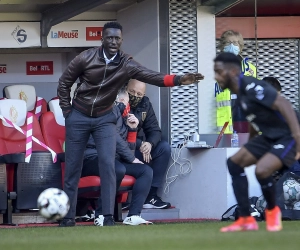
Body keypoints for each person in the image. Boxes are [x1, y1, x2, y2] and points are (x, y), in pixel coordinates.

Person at [57, 21, 204, 227]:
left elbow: (152, 76)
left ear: (121, 40)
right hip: (79, 116)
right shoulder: (86, 57)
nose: (113, 41)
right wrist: (67, 112)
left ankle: (107, 217)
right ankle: (68, 217)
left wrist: (178, 80)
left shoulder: (127, 63)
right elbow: (64, 83)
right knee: (73, 167)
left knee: (108, 165)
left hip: (104, 118)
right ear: (102, 38)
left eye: (117, 38)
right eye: (109, 37)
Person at [213, 52, 300, 232]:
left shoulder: (253, 87)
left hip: (288, 136)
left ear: (233, 71)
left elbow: (284, 105)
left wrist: (297, 139)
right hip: (267, 136)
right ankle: (246, 218)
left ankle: (272, 211)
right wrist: (251, 147)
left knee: (262, 170)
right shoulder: (240, 97)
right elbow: (254, 122)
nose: (216, 76)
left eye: (219, 72)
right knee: (234, 163)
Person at [81, 89, 153, 226]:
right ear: (119, 102)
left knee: (145, 171)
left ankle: (133, 215)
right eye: (126, 102)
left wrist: (132, 130)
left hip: (113, 159)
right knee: (117, 168)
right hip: (92, 158)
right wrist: (132, 160)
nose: (128, 106)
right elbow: (114, 139)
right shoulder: (103, 113)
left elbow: (128, 151)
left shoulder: (123, 119)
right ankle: (101, 214)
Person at [126, 79, 171, 209]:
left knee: (164, 148)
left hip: (138, 149)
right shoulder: (119, 101)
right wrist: (140, 143)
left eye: (139, 94)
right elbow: (117, 134)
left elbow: (155, 130)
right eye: (132, 92)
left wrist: (149, 144)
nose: (135, 96)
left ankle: (150, 196)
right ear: (125, 89)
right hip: (121, 150)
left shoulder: (145, 104)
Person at [215, 30, 257, 134]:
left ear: (240, 46)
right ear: (222, 46)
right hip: (223, 120)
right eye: (228, 43)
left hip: (244, 116)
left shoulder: (250, 68)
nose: (232, 45)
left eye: (235, 43)